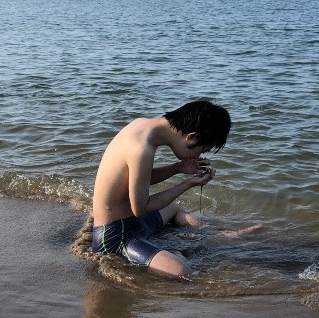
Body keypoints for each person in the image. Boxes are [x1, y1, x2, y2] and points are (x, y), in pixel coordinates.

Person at [92, 99, 231, 280]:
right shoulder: (141, 148)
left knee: (173, 208)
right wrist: (187, 183)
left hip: (133, 222)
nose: (198, 155)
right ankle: (173, 249)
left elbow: (137, 179)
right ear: (191, 137)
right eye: (201, 149)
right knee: (183, 273)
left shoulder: (140, 126)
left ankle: (213, 233)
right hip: (115, 237)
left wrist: (177, 168)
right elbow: (140, 208)